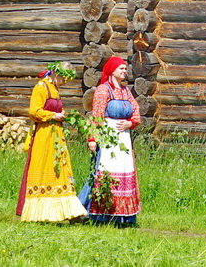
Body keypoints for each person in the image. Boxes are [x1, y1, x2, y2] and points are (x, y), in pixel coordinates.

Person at [16, 62, 87, 223]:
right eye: (64, 79)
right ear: (56, 73)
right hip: (43, 134)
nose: (65, 83)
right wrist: (53, 116)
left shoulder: (55, 88)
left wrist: (61, 114)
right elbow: (34, 111)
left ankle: (69, 212)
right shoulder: (41, 87)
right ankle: (40, 212)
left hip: (56, 135)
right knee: (44, 167)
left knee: (61, 168)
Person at [82, 55, 141, 226]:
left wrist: (130, 123)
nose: (124, 71)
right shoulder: (103, 90)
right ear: (112, 71)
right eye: (121, 68)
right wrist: (92, 138)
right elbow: (97, 115)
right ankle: (101, 215)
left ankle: (123, 216)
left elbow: (135, 110)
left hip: (123, 138)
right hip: (108, 137)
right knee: (106, 171)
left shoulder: (125, 91)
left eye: (125, 68)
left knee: (123, 171)